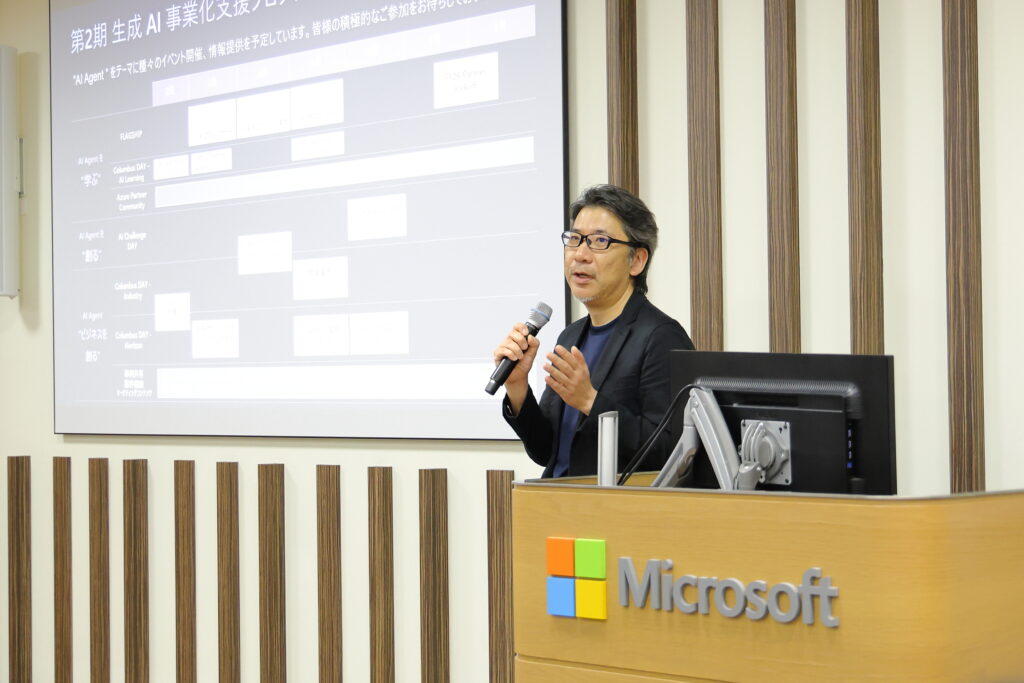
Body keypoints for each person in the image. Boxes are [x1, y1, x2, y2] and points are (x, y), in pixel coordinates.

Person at [493, 184, 694, 478]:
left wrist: (590, 401)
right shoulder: (572, 336)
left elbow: (672, 452)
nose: (580, 254)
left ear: (637, 260)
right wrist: (517, 386)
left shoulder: (661, 337)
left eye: (599, 241)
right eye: (574, 239)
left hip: (612, 515)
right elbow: (545, 451)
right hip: (557, 507)